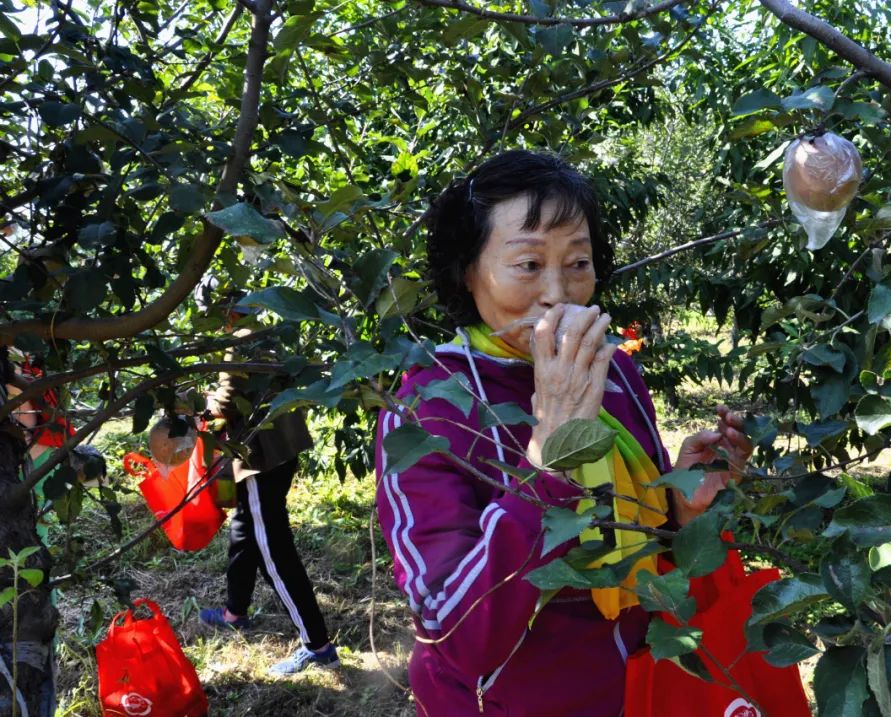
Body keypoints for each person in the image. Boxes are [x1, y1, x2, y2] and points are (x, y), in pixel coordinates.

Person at [374, 150, 752, 716]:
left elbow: (640, 539)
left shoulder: (614, 370)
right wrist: (551, 453)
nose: (558, 292)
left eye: (578, 263)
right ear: (467, 271)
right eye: (528, 265)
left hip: (642, 686)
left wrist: (683, 505)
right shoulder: (430, 408)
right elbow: (454, 633)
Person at [196, 295, 338, 676]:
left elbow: (226, 402)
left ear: (224, 311)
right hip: (284, 447)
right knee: (245, 528)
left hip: (261, 457)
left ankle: (317, 644)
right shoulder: (268, 333)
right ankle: (234, 612)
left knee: (273, 549)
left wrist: (200, 408)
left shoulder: (238, 340)